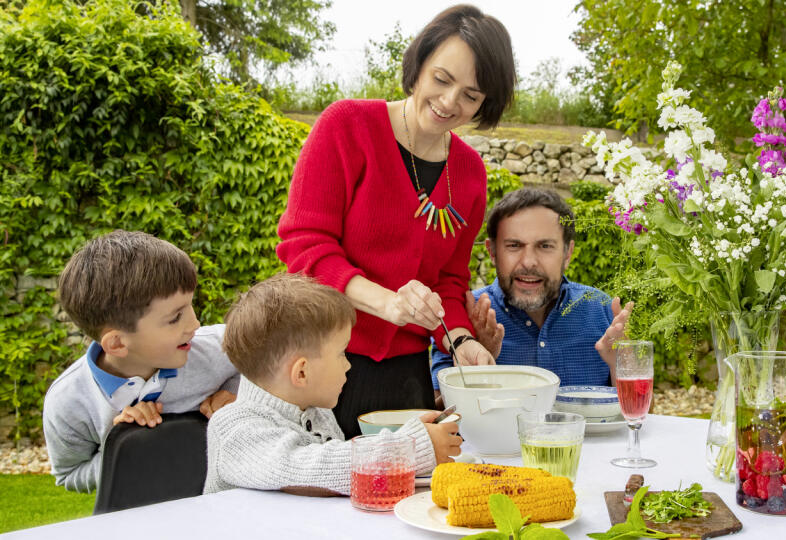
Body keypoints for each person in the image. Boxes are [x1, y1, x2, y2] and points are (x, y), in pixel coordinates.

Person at [276, 4, 516, 438]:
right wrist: (386, 303)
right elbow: (305, 249)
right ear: (419, 64)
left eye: (471, 96)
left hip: (406, 378)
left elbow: (449, 279)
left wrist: (461, 342)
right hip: (315, 363)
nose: (449, 102)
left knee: (409, 500)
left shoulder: (470, 173)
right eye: (442, 79)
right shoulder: (346, 127)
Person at [204, 273, 461, 495]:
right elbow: (307, 468)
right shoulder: (233, 429)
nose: (348, 365)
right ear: (301, 373)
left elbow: (340, 464)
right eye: (342, 353)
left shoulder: (317, 413)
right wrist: (410, 448)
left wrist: (411, 436)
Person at [43, 230, 239, 493]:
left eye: (190, 306)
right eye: (174, 318)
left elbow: (274, 360)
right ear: (117, 343)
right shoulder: (68, 401)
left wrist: (237, 394)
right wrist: (126, 445)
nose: (195, 324)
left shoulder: (216, 348)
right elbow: (69, 474)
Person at [431, 188, 634, 388]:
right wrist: (479, 369)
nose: (529, 262)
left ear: (567, 253)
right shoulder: (460, 319)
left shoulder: (602, 310)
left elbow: (642, 413)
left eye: (545, 246)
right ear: (492, 252)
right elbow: (437, 411)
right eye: (514, 246)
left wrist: (623, 366)